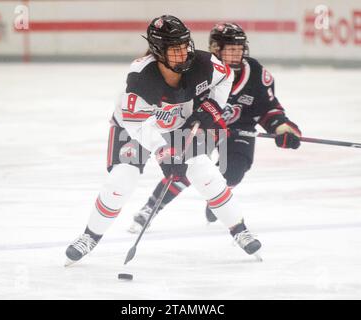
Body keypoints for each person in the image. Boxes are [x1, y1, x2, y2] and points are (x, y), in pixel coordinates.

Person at [65, 16, 262, 266]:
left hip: (178, 126)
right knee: (122, 180)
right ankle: (89, 236)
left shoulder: (203, 63)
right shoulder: (140, 76)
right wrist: (163, 152)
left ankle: (239, 230)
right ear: (158, 51)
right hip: (134, 127)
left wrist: (212, 107)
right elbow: (136, 124)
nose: (183, 53)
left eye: (184, 45)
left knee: (204, 171)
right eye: (174, 48)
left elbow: (225, 77)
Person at [128, 22, 301, 233]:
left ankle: (218, 204)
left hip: (239, 127)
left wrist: (282, 129)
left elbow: (269, 110)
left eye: (239, 49)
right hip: (203, 124)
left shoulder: (256, 74)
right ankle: (151, 208)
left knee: (235, 171)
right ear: (215, 49)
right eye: (231, 50)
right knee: (185, 167)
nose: (237, 55)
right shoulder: (201, 68)